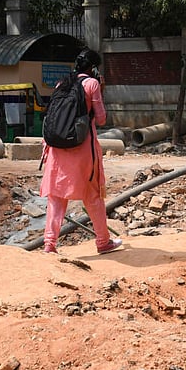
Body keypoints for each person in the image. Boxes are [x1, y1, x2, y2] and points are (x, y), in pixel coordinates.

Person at [39, 48, 122, 254]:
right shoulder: (92, 84)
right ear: (93, 67)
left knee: (56, 197)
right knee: (92, 196)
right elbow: (101, 119)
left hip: (57, 149)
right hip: (83, 147)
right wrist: (100, 91)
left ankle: (49, 244)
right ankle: (103, 242)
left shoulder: (62, 83)